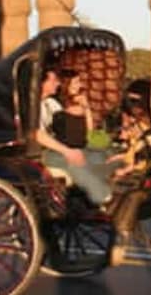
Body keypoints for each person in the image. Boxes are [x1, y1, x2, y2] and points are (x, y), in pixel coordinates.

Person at [35, 68, 114, 207]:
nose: (57, 83)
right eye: (53, 80)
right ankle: (100, 194)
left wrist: (87, 109)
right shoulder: (39, 107)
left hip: (64, 146)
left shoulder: (53, 105)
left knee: (106, 149)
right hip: (47, 151)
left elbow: (89, 134)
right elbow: (40, 134)